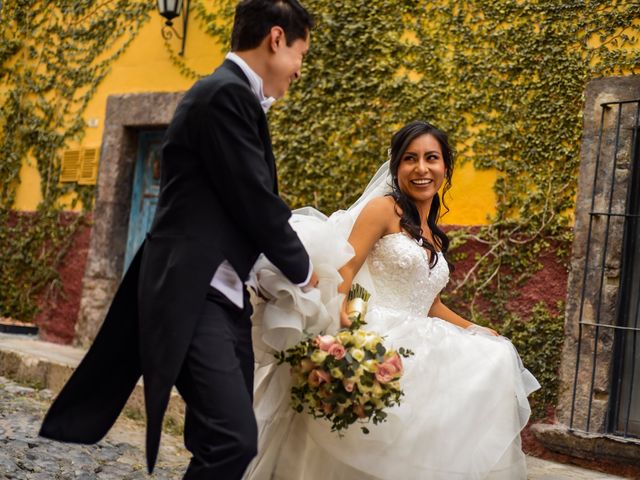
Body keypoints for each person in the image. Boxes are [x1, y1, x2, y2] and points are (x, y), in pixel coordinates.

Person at [40, 1, 316, 478]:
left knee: (218, 439)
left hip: (226, 297)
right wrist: (307, 272)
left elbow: (229, 204)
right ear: (275, 39)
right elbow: (254, 199)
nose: (298, 71)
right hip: (193, 293)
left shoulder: (231, 97)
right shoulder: (222, 95)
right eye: (300, 55)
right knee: (232, 440)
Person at [245, 121, 540, 479]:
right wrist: (348, 333)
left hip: (424, 337)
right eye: (410, 159)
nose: (421, 169)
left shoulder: (432, 231)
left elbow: (429, 303)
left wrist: (475, 327)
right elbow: (346, 271)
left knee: (492, 357)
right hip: (377, 330)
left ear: (445, 167)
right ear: (396, 166)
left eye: (431, 158)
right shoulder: (383, 210)